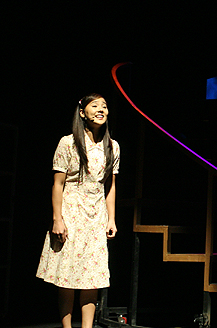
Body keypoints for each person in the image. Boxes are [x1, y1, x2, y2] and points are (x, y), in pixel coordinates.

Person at [37, 93, 120, 328]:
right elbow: (58, 184)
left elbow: (110, 187)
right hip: (71, 212)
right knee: (67, 276)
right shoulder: (68, 143)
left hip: (96, 216)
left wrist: (111, 218)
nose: (101, 110)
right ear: (82, 113)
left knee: (91, 278)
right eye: (95, 106)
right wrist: (57, 219)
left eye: (104, 106)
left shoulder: (112, 146)